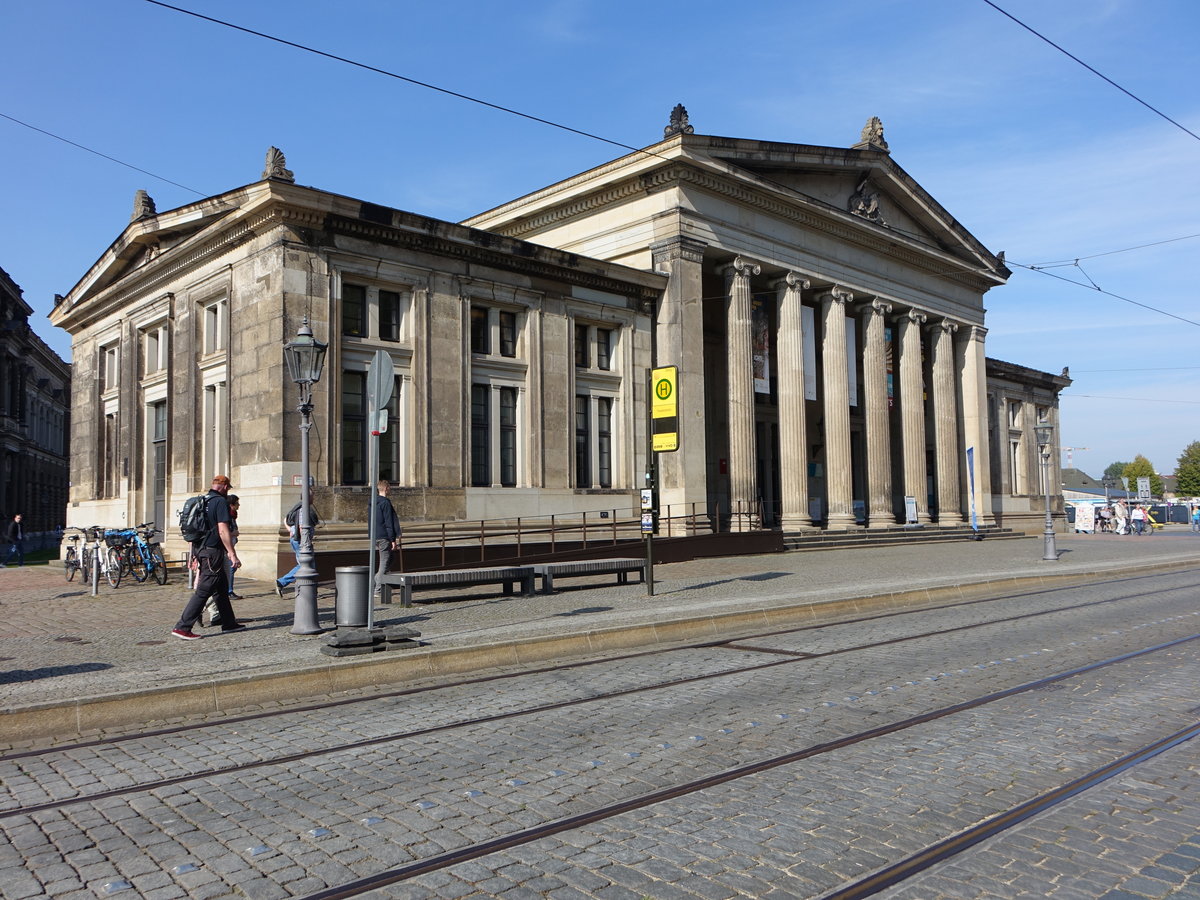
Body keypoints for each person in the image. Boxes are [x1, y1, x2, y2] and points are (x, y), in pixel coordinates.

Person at [172, 475, 244, 640]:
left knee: (221, 588)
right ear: (225, 487)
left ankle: (229, 623)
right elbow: (223, 530)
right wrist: (232, 554)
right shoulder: (220, 502)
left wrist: (193, 555)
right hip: (213, 552)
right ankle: (182, 627)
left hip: (201, 548)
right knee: (204, 590)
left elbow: (194, 531)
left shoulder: (203, 500)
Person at [203, 494, 240, 627]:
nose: (239, 506)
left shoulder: (231, 515)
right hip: (221, 553)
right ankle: (200, 610)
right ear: (231, 505)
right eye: (237, 503)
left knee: (219, 587)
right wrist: (232, 554)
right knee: (216, 586)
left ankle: (220, 617)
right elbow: (223, 533)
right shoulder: (225, 514)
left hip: (223, 552)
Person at [276, 497, 320, 596]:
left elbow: (285, 520)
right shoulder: (304, 509)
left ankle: (312, 588)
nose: (313, 498)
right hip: (301, 541)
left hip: (298, 540)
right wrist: (305, 538)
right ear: (309, 498)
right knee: (305, 565)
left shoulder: (297, 507)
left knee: (308, 564)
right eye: (313, 496)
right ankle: (281, 582)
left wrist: (291, 531)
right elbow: (301, 527)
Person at [372, 480, 402, 597]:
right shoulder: (385, 503)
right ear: (386, 489)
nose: (390, 490)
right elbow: (389, 522)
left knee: (390, 558)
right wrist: (393, 540)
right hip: (384, 537)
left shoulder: (373, 502)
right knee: (384, 562)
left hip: (376, 536)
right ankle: (377, 588)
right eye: (389, 488)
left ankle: (377, 579)